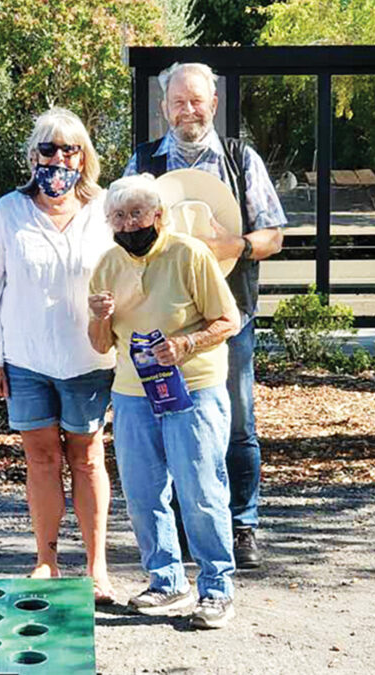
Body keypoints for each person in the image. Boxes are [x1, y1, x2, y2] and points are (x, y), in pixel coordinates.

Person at [125, 62, 286, 568]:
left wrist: (230, 244)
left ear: (213, 105)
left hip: (226, 318)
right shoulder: (145, 162)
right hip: (160, 323)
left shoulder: (240, 159)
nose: (188, 110)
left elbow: (274, 236)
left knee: (236, 425)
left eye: (197, 101)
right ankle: (182, 529)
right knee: (165, 423)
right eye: (178, 101)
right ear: (164, 107)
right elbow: (119, 226)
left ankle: (243, 525)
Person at [0, 108, 117, 604]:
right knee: (42, 458)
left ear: (84, 155)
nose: (58, 159)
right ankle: (46, 560)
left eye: (69, 149)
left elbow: (131, 273)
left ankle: (97, 567)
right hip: (27, 357)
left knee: (88, 457)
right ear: (33, 154)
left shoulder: (104, 209)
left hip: (90, 357)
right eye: (48, 149)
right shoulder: (10, 211)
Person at [89, 173, 240, 628]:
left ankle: (216, 589)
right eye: (118, 216)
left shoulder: (190, 253)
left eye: (137, 213)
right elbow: (99, 345)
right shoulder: (107, 264)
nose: (128, 223)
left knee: (200, 490)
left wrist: (185, 345)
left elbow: (228, 319)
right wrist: (99, 318)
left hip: (192, 389)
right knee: (142, 493)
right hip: (132, 392)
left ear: (158, 215)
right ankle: (166, 581)